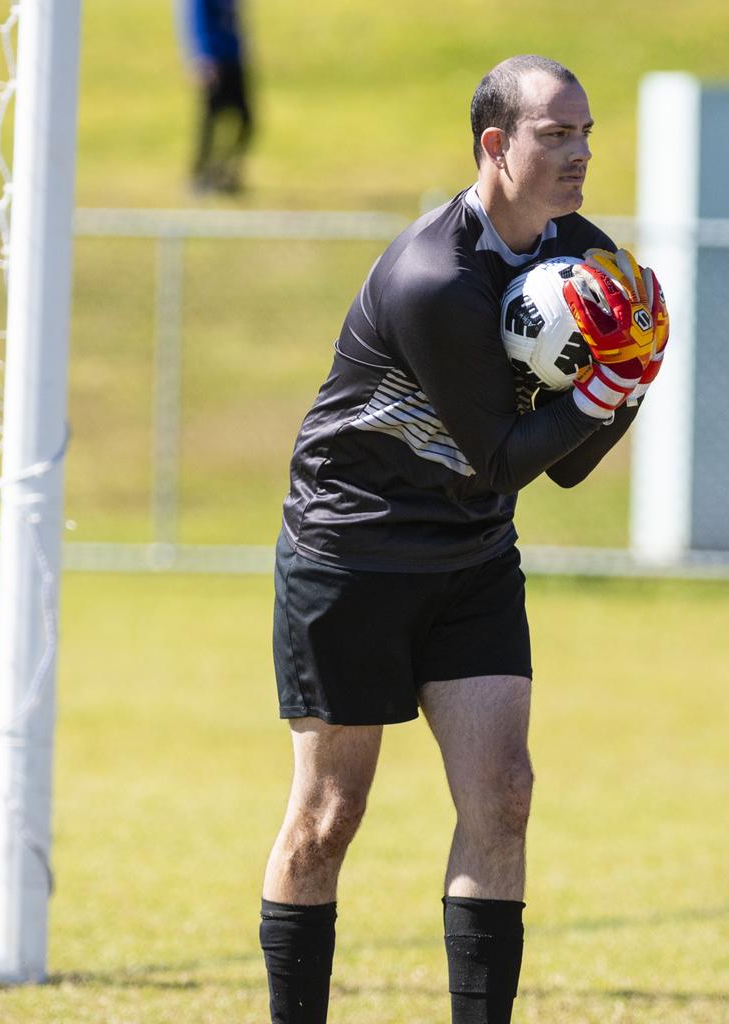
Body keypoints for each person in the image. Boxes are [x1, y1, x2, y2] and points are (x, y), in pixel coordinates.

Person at [259, 55, 668, 1024]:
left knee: (506, 795)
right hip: (352, 556)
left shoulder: (580, 250)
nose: (580, 153)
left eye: (585, 133)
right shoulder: (435, 276)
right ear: (496, 144)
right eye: (555, 133)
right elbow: (501, 456)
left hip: (473, 560)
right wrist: (610, 386)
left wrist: (632, 369)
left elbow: (564, 462)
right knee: (328, 817)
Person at [179, 0, 253, 193]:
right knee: (210, 121)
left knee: (246, 120)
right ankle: (200, 176)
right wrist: (201, 56)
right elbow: (195, 20)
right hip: (213, 59)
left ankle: (224, 173)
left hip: (233, 57)